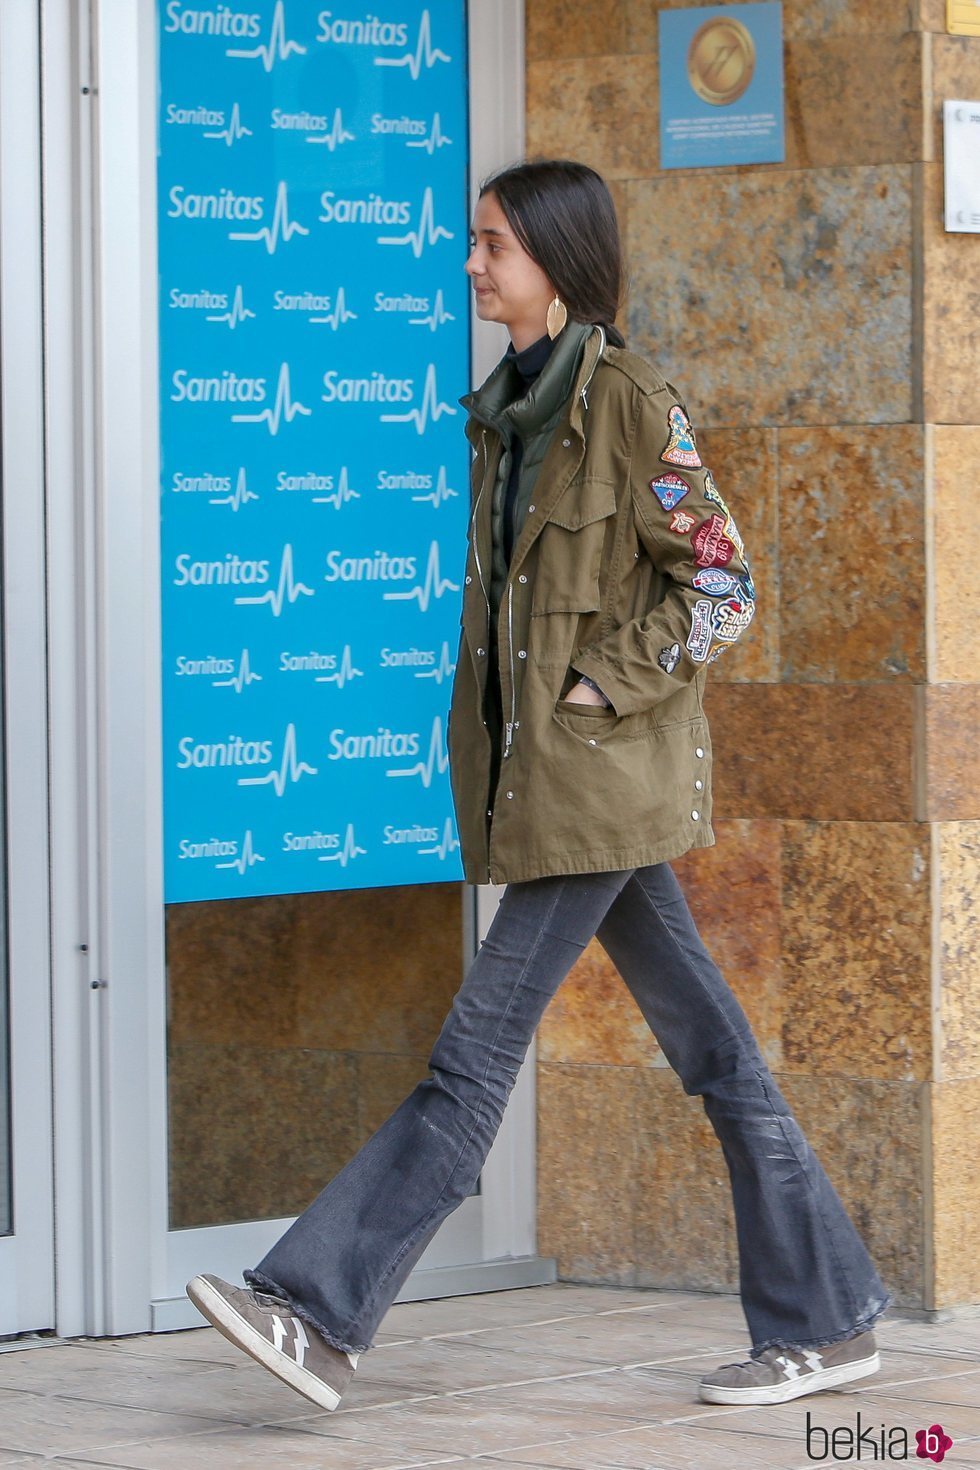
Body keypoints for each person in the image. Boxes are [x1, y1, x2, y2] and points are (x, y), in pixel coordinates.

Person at [187, 158, 891, 1414]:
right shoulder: (502, 413)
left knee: (471, 1062)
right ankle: (827, 1318)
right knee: (719, 1058)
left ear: (555, 266)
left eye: (494, 245)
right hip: (555, 792)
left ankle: (316, 1308)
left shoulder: (629, 403)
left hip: (599, 782)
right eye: (474, 241)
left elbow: (721, 584)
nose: (471, 263)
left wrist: (600, 687)